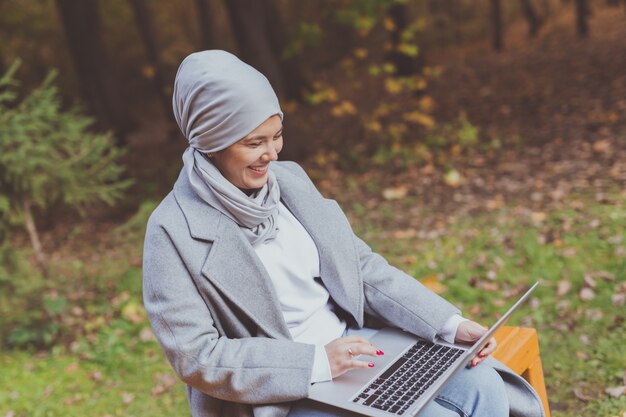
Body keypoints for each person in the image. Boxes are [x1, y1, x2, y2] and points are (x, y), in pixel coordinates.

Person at [143, 50, 545, 417]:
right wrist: (317, 362)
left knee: (484, 387)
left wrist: (449, 324)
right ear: (210, 143)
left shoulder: (290, 182)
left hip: (361, 347)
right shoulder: (171, 231)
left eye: (277, 135)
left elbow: (362, 269)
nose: (273, 153)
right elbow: (195, 356)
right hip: (286, 391)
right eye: (254, 143)